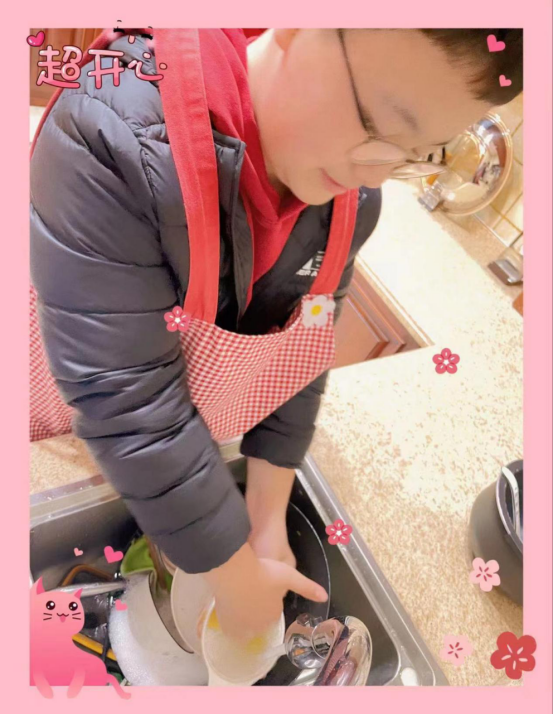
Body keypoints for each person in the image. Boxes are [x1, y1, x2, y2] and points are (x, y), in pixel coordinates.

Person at [30, 28, 522, 642]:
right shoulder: (109, 133)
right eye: (376, 124)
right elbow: (126, 402)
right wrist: (234, 576)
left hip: (172, 462)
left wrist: (265, 520)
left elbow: (301, 353)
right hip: (49, 444)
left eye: (414, 154)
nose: (373, 171)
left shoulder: (351, 206)